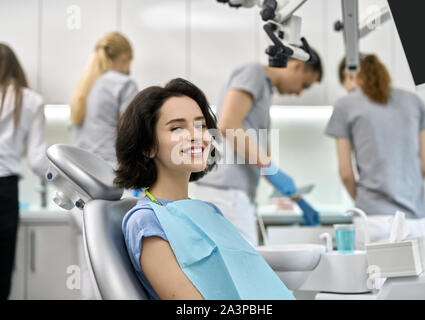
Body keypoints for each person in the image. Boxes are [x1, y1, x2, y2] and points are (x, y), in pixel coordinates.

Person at [117, 78, 294, 300]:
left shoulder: (209, 212)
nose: (197, 136)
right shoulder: (146, 222)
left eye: (200, 125)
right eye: (177, 127)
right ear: (148, 146)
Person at [194, 53, 323, 246]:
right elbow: (228, 124)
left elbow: (260, 153)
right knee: (246, 266)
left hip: (232, 193)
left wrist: (297, 199)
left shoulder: (264, 89)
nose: (299, 93)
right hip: (226, 193)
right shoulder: (254, 72)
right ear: (297, 64)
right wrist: (271, 169)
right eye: (304, 85)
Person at [325, 54, 425, 250]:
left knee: (370, 280)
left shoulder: (345, 105)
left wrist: (363, 200)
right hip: (419, 222)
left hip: (374, 221)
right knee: (417, 281)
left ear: (350, 75)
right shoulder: (414, 102)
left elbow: (346, 174)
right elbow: (424, 167)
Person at [0, 43, 48, 299]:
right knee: (2, 271)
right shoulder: (31, 101)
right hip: (5, 192)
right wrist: (67, 183)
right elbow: (38, 160)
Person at [70, 31, 138, 169]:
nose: (129, 69)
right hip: (109, 171)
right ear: (125, 57)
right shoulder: (124, 84)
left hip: (80, 171)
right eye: (130, 60)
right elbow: (132, 132)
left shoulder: (84, 85)